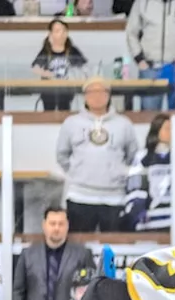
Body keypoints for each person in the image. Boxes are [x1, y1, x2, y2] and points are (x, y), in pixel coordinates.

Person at [56, 78, 140, 233]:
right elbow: (62, 155)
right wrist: (78, 172)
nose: (97, 96)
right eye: (92, 92)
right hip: (80, 196)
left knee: (115, 248)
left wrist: (117, 171)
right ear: (84, 96)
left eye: (102, 92)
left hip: (115, 197)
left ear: (109, 96)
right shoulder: (71, 123)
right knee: (79, 249)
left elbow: (132, 156)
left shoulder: (124, 124)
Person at [125, 0, 175, 111]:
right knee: (150, 113)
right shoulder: (142, 2)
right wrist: (139, 59)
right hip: (150, 68)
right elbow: (131, 32)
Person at [32, 18, 89, 112]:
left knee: (65, 111)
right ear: (51, 34)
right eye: (58, 31)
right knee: (48, 113)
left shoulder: (71, 50)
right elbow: (35, 67)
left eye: (64, 31)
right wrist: (45, 73)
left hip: (66, 90)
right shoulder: (46, 51)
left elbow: (84, 67)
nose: (61, 34)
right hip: (48, 91)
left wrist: (77, 76)